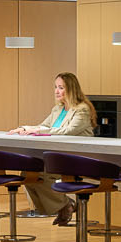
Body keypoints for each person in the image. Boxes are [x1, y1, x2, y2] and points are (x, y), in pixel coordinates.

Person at [10, 73, 98, 224]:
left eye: (61, 88)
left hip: (76, 159)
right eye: (55, 87)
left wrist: (38, 131)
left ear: (71, 89)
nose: (56, 91)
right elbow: (44, 126)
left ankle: (65, 205)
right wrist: (24, 128)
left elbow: (68, 131)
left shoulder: (82, 109)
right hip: (59, 157)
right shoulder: (58, 109)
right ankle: (63, 206)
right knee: (28, 174)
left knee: (38, 173)